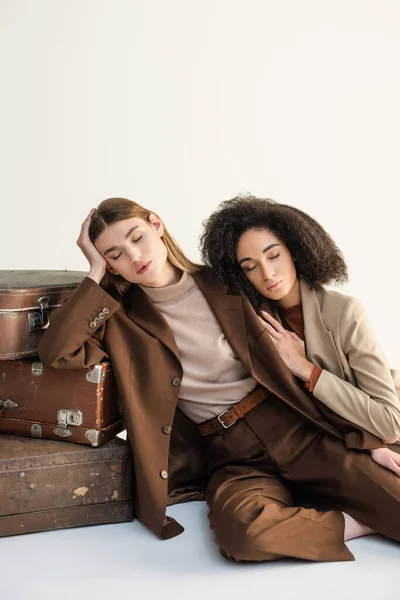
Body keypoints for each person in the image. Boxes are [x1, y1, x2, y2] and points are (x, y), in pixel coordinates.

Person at [38, 197, 400, 563]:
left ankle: (353, 505)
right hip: (230, 455)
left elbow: (308, 330)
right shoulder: (121, 321)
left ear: (157, 225)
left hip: (297, 429)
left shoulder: (227, 282)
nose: (134, 257)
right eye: (114, 254)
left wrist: (367, 437)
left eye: (137, 238)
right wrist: (93, 271)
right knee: (244, 536)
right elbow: (55, 352)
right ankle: (355, 522)